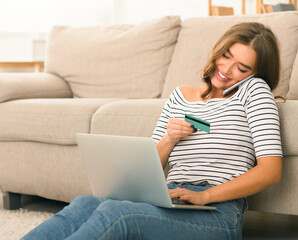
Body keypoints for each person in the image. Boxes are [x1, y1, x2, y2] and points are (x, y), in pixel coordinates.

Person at [22, 22, 282, 240]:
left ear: (255, 74)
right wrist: (169, 138)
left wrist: (205, 195)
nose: (226, 70)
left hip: (217, 211)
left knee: (117, 214)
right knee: (84, 204)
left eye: (242, 67)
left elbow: (270, 170)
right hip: (167, 198)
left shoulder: (254, 91)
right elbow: (150, 168)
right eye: (226, 56)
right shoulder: (180, 95)